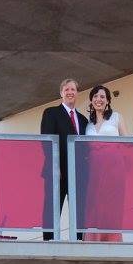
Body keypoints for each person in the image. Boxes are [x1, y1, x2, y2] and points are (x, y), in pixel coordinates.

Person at [39, 78, 89, 240]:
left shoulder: (83, 119)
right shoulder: (51, 113)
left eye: (73, 89)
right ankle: (50, 240)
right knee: (52, 207)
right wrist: (55, 166)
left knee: (79, 208)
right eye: (66, 89)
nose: (70, 92)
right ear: (61, 93)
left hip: (78, 172)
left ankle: (79, 239)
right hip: (57, 170)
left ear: (77, 93)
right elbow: (47, 140)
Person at [82, 85, 128, 242]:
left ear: (108, 100)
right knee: (94, 200)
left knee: (112, 201)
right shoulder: (87, 122)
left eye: (102, 97)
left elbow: (126, 141)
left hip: (114, 166)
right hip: (94, 167)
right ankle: (95, 238)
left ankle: (111, 238)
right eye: (95, 96)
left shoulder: (116, 117)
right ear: (91, 100)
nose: (98, 99)